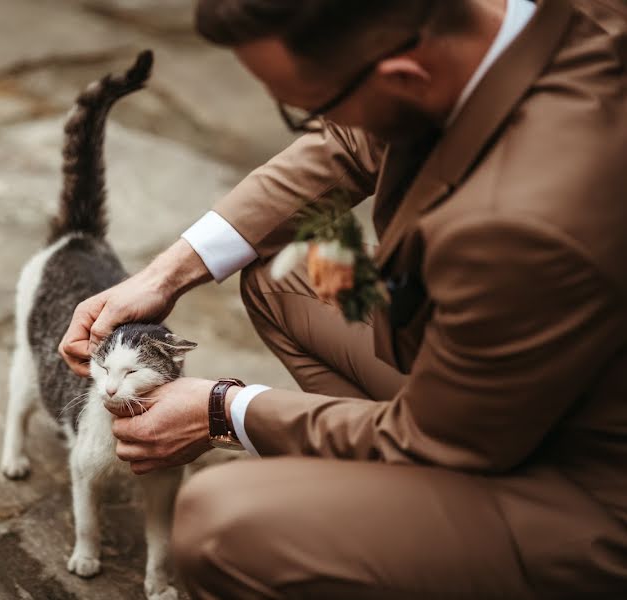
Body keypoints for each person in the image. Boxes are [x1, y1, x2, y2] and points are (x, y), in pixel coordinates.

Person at [59, 0, 627, 597]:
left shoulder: (526, 220)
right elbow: (348, 144)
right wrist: (166, 273)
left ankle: (406, 536)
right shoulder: (507, 26)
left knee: (224, 524)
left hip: (587, 486)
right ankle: (385, 511)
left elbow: (440, 437)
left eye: (309, 105)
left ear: (405, 75)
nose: (313, 121)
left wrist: (224, 410)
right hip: (510, 383)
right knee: (289, 273)